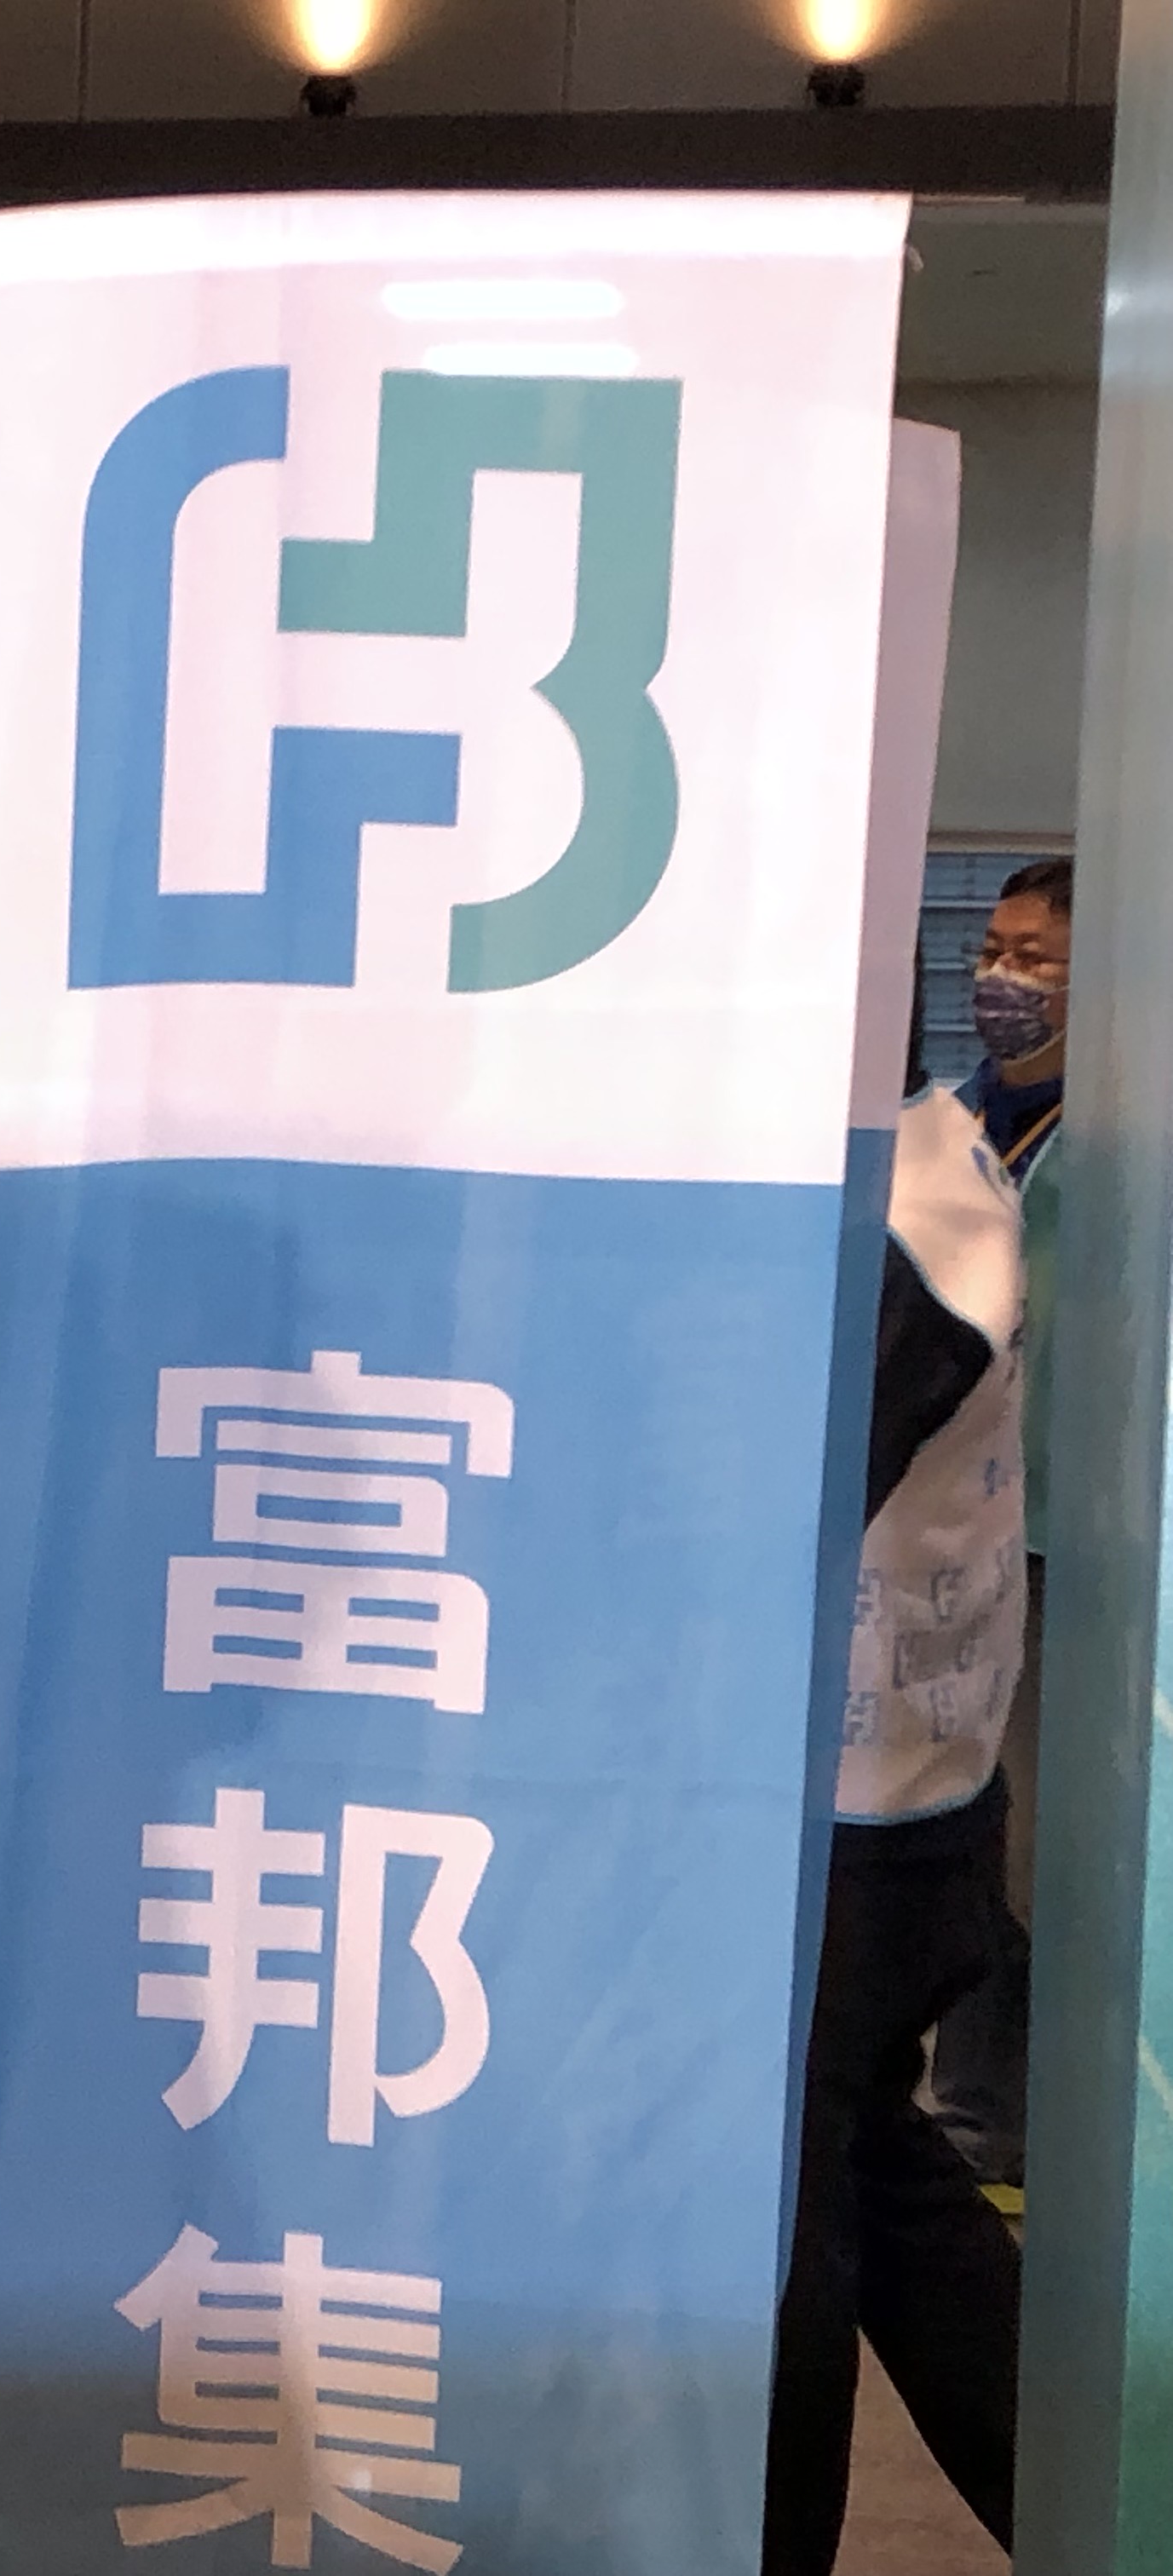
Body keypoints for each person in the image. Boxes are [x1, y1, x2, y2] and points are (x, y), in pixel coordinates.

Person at [762, 1052, 1028, 2575]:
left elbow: (766, 1497)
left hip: (853, 1834)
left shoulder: (910, 1215)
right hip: (883, 1807)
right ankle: (1079, 2495)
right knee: (875, 2170)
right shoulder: (920, 1164)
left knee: (778, 2219)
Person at [929, 854, 1072, 2187]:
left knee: (1037, 1851)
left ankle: (1016, 2116)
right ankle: (971, 2107)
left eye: (1036, 959)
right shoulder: (960, 1118)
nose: (1002, 977)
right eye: (993, 950)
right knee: (968, 1815)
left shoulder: (1111, 1140)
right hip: (958, 1527)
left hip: (1075, 1532)